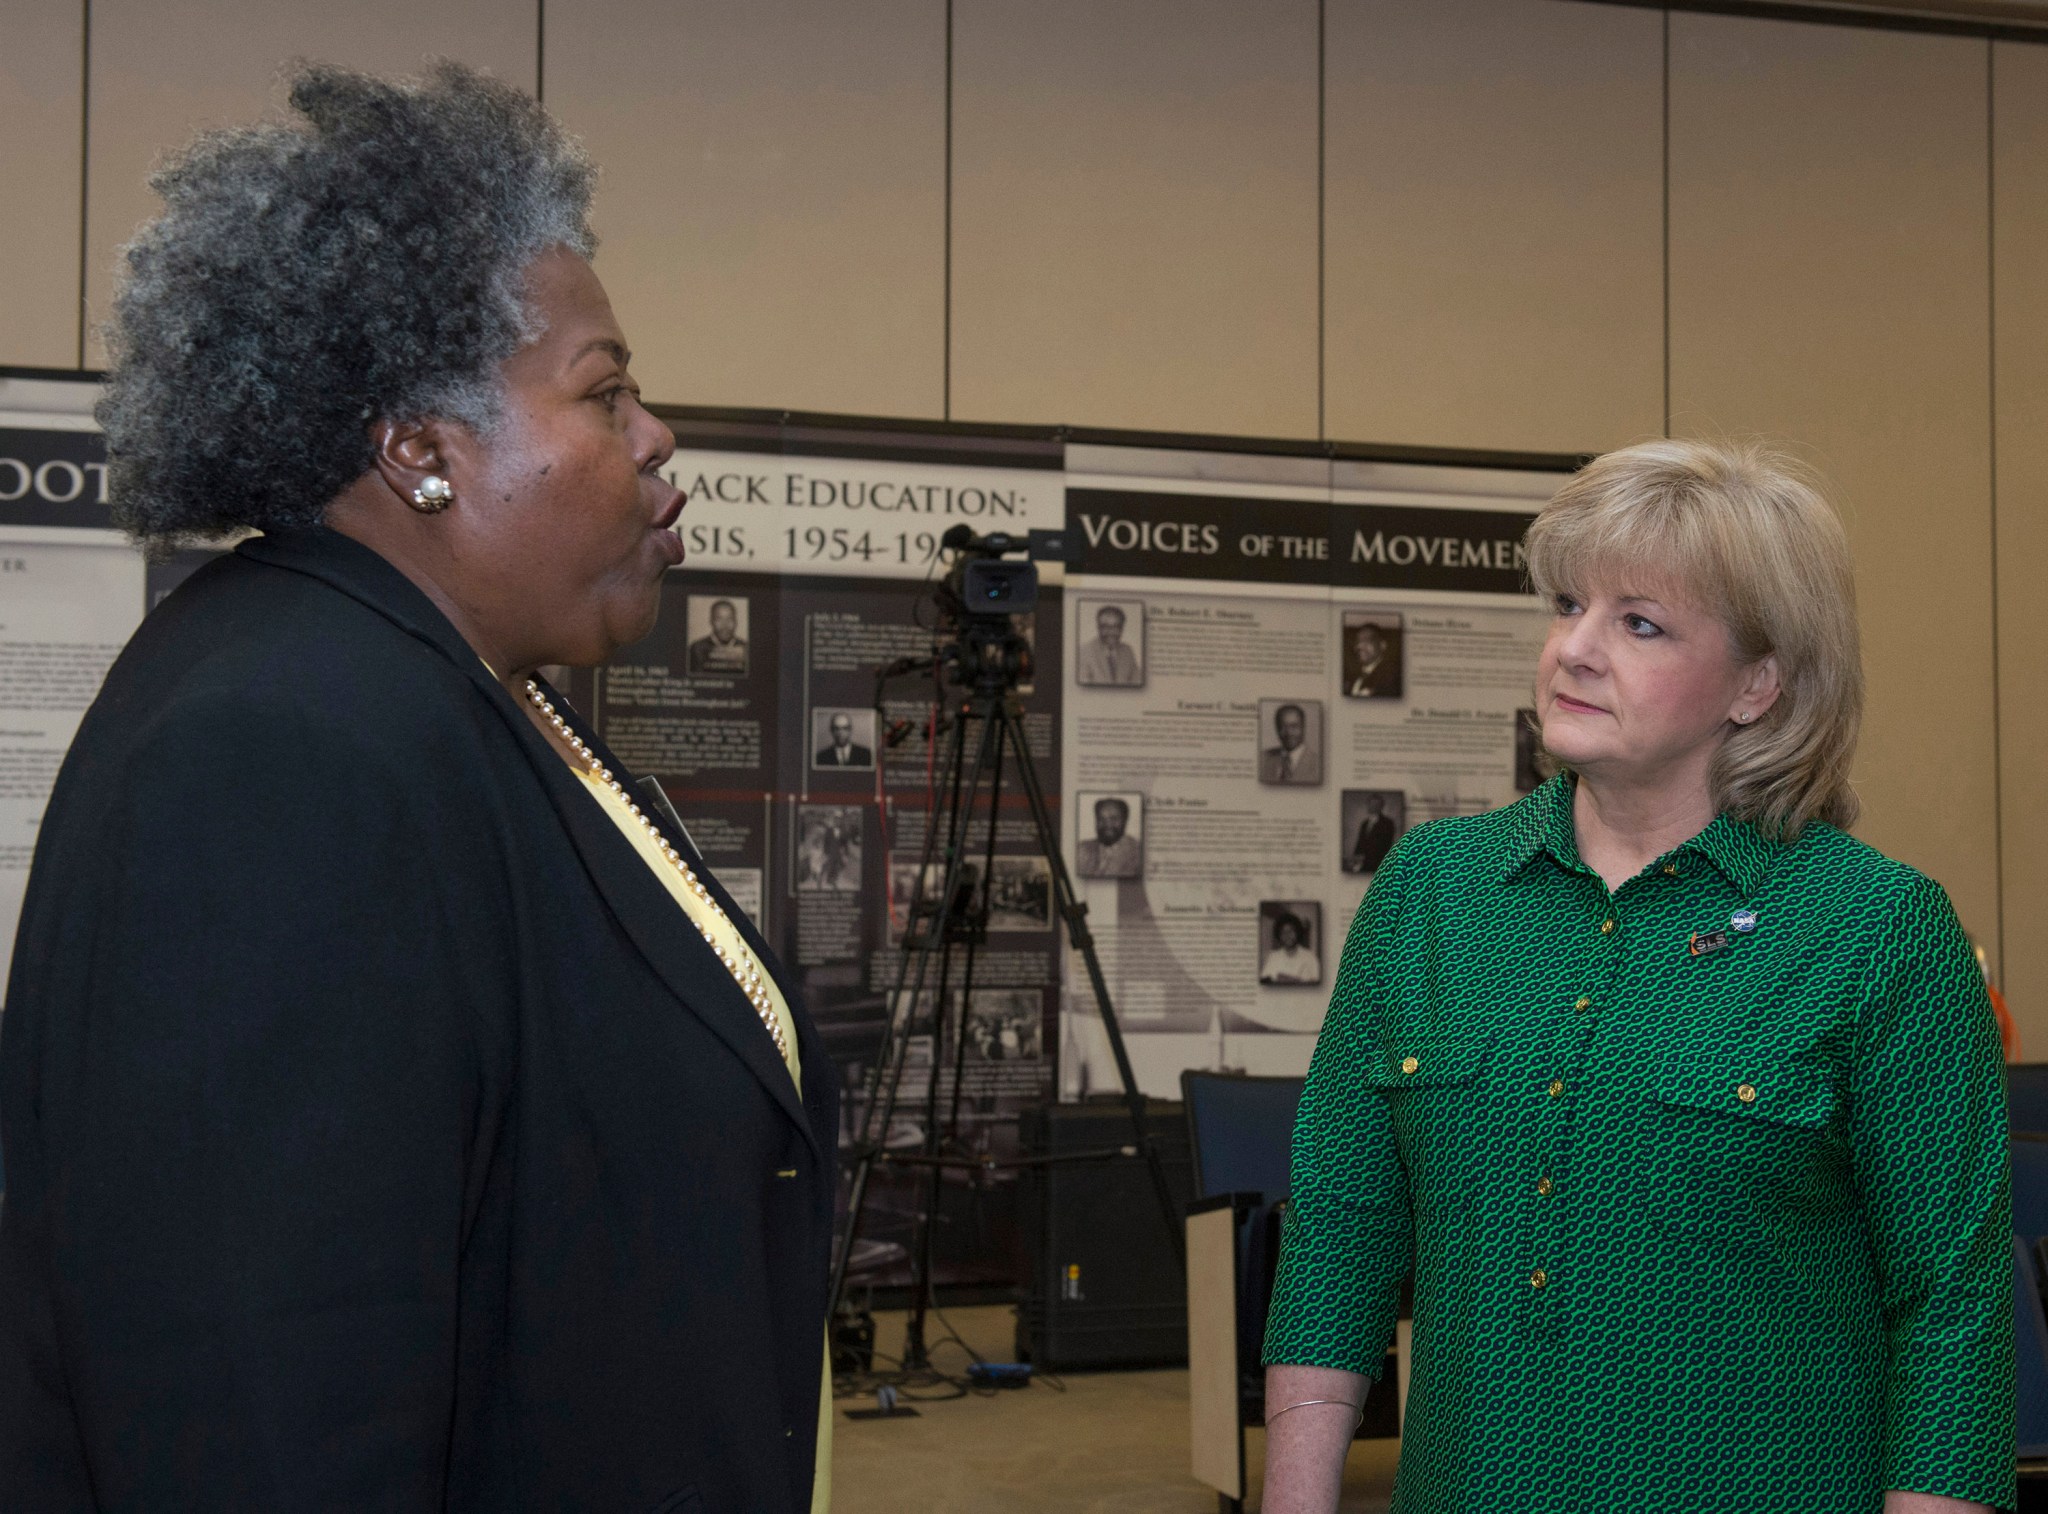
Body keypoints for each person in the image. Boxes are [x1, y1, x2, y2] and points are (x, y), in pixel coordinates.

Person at [0, 66, 837, 1514]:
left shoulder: (452, 698)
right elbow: (267, 1394)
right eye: (606, 388)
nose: (656, 436)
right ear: (421, 450)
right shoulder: (280, 748)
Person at [1262, 439, 2011, 1514]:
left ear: (1756, 684)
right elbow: (1338, 1236)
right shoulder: (1428, 888)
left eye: (1639, 622)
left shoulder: (1878, 926)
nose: (1572, 648)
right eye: (1567, 604)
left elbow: (1950, 1307)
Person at [1077, 603, 1143, 686]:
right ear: (1098, 627)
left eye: (1116, 627)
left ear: (1122, 628)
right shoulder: (1084, 652)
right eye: (1106, 627)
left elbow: (1137, 683)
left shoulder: (1128, 651)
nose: (1111, 632)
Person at [1076, 796, 1142, 878]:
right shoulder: (1081, 849)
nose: (1107, 824)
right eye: (1101, 819)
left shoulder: (1138, 852)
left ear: (1125, 820)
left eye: (1114, 819)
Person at [1260, 702, 1322, 785]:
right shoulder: (1263, 758)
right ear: (1277, 729)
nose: (1288, 733)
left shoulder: (1318, 763)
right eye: (1283, 727)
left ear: (1303, 728)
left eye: (1294, 726)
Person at [688, 596, 748, 674]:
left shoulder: (746, 649)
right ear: (711, 621)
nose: (725, 625)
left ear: (736, 622)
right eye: (719, 619)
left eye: (730, 619)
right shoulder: (697, 649)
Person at [1344, 620, 1402, 699]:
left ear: (1382, 645)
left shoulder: (1392, 677)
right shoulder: (1350, 676)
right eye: (1357, 641)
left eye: (1367, 640)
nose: (1359, 646)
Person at [1260, 912, 1321, 985]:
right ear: (1279, 936)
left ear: (1297, 932)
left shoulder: (1310, 957)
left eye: (1291, 931)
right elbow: (1264, 982)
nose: (1287, 935)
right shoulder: (1273, 957)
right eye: (1283, 932)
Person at [1346, 793, 1399, 874]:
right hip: (1363, 863)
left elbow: (1386, 845)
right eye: (1370, 804)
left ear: (1381, 807)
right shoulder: (1364, 823)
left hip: (1379, 863)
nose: (1372, 806)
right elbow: (1360, 843)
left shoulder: (1388, 823)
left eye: (1376, 804)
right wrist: (1355, 859)